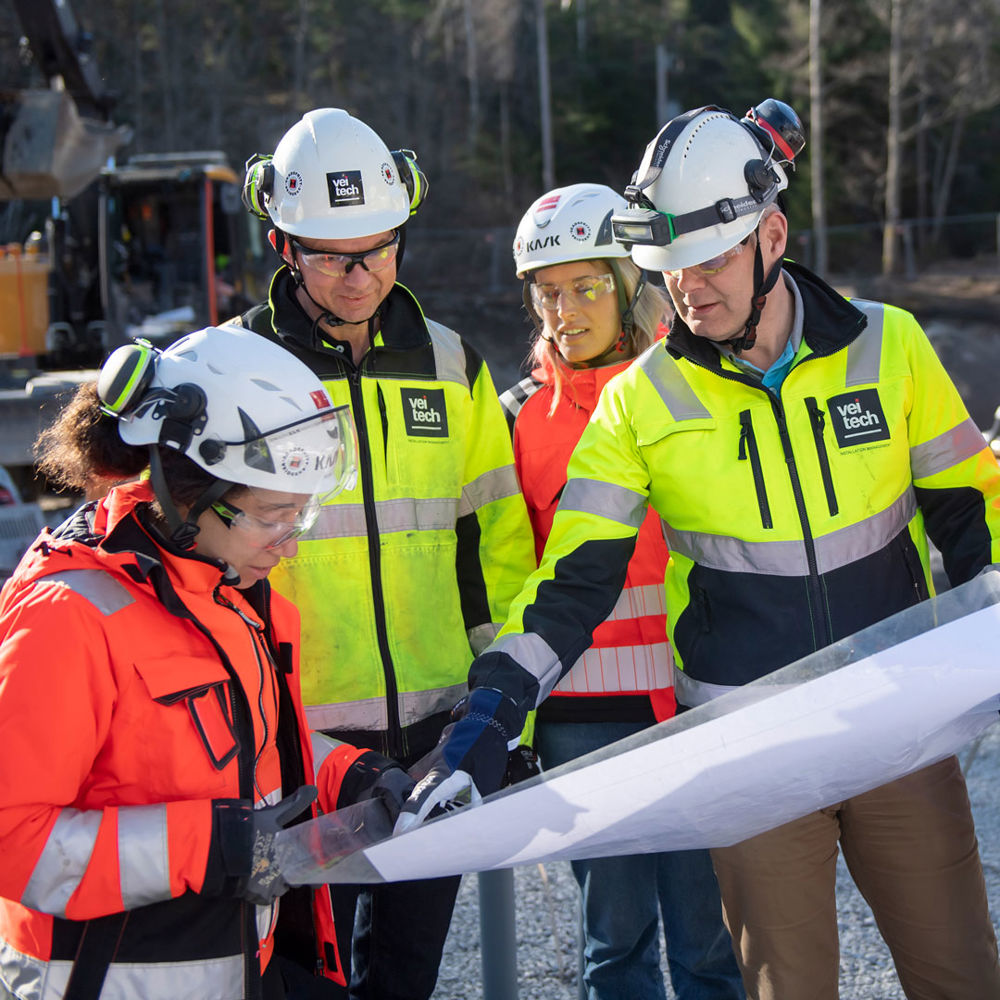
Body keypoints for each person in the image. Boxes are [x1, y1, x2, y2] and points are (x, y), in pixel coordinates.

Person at [397, 100, 1000, 1000]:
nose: (691, 289)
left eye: (712, 258)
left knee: (962, 977)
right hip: (752, 750)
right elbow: (572, 583)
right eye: (671, 267)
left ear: (773, 234)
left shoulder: (890, 346)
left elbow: (972, 525)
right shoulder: (639, 402)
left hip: (897, 732)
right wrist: (487, 719)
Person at [0, 325, 418, 1000]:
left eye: (301, 516)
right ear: (186, 490)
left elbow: (225, 741)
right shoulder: (69, 615)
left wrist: (349, 775)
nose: (289, 546)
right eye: (273, 515)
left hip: (233, 963)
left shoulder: (224, 585)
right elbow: (10, 837)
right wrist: (206, 847)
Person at [237, 108, 536, 999]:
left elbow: (495, 545)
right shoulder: (240, 369)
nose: (360, 276)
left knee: (405, 976)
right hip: (297, 741)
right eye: (333, 256)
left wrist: (496, 702)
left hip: (437, 736)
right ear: (284, 245)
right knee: (298, 977)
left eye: (379, 248)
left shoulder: (451, 365)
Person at [500, 182, 743, 1000]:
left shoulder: (696, 388)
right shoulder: (520, 418)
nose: (564, 311)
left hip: (694, 702)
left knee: (710, 944)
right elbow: (518, 577)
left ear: (633, 282)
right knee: (616, 947)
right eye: (549, 293)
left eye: (587, 286)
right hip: (581, 721)